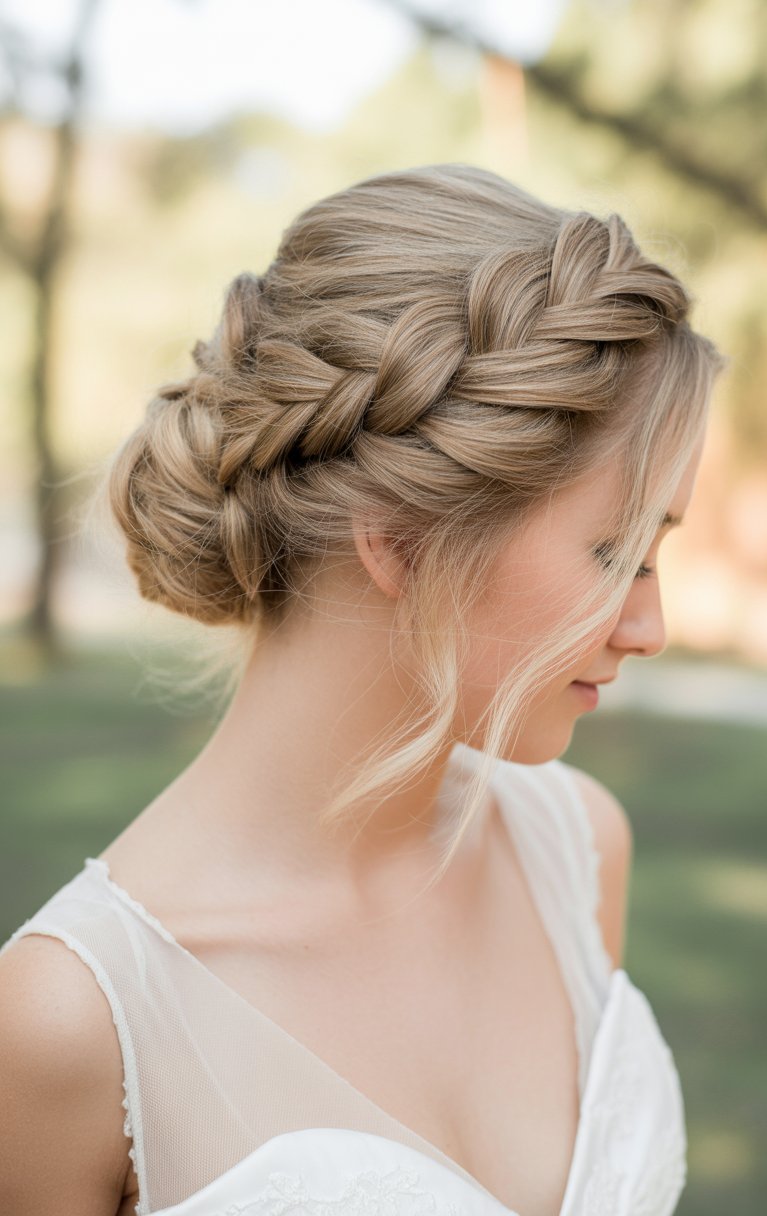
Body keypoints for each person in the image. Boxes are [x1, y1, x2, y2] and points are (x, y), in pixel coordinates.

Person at [0, 164, 725, 1216]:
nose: (647, 626)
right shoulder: (69, 1025)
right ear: (400, 539)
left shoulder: (573, 849)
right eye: (614, 551)